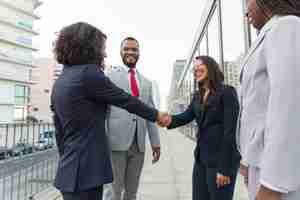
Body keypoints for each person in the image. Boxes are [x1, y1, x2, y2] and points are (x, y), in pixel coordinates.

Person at [50, 22, 167, 200]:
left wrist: (69, 164)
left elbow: (59, 131)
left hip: (69, 171)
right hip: (88, 173)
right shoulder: (90, 73)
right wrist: (157, 114)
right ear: (89, 47)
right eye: (101, 48)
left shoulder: (61, 79)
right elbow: (125, 100)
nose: (104, 53)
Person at [237, 1, 300, 200]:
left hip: (279, 178)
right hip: (262, 164)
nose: (246, 10)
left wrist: (273, 185)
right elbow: (257, 110)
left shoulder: (287, 26)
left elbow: (289, 107)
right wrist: (248, 161)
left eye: (248, 1)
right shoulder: (270, 32)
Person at [160, 56, 240, 200]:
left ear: (211, 67)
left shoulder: (227, 92)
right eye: (194, 69)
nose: (196, 70)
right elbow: (185, 116)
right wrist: (166, 120)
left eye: (200, 66)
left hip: (220, 162)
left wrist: (224, 168)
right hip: (201, 160)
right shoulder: (198, 95)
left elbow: (230, 133)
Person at [105, 37, 161, 200]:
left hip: (138, 145)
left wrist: (155, 142)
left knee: (132, 192)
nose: (130, 52)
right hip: (116, 143)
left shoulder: (147, 83)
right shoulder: (109, 77)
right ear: (120, 52)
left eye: (134, 49)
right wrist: (103, 139)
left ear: (139, 53)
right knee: (113, 192)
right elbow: (104, 111)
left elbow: (150, 114)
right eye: (127, 49)